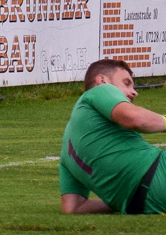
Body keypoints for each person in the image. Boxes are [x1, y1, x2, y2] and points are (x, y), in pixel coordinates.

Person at [59, 58, 166, 214]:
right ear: (102, 81)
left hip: (139, 205)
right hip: (158, 172)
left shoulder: (65, 152)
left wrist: (120, 201)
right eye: (126, 83)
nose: (134, 92)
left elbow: (72, 207)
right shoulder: (99, 91)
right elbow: (136, 119)